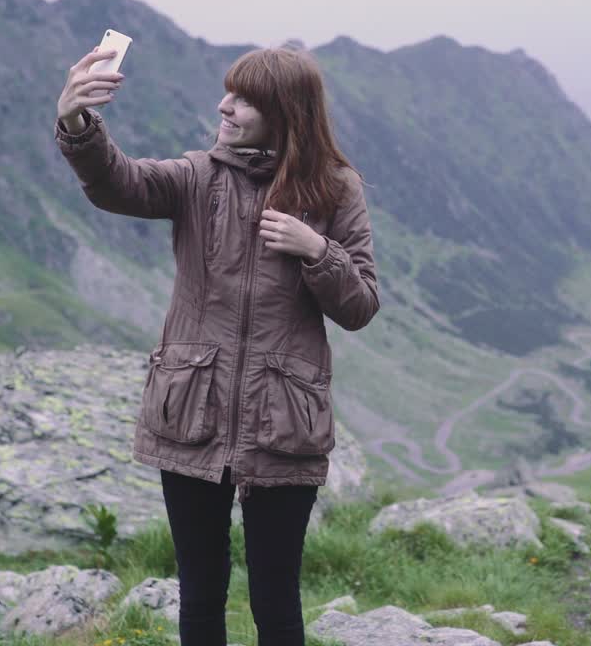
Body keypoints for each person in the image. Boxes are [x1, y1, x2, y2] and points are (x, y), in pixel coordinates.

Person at [53, 43, 379, 646]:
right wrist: (77, 123)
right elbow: (118, 182)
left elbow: (360, 305)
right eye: (227, 93)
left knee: (275, 598)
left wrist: (317, 251)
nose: (223, 106)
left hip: (284, 426)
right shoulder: (196, 177)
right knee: (200, 591)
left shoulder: (336, 191)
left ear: (285, 112)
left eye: (243, 99)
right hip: (190, 415)